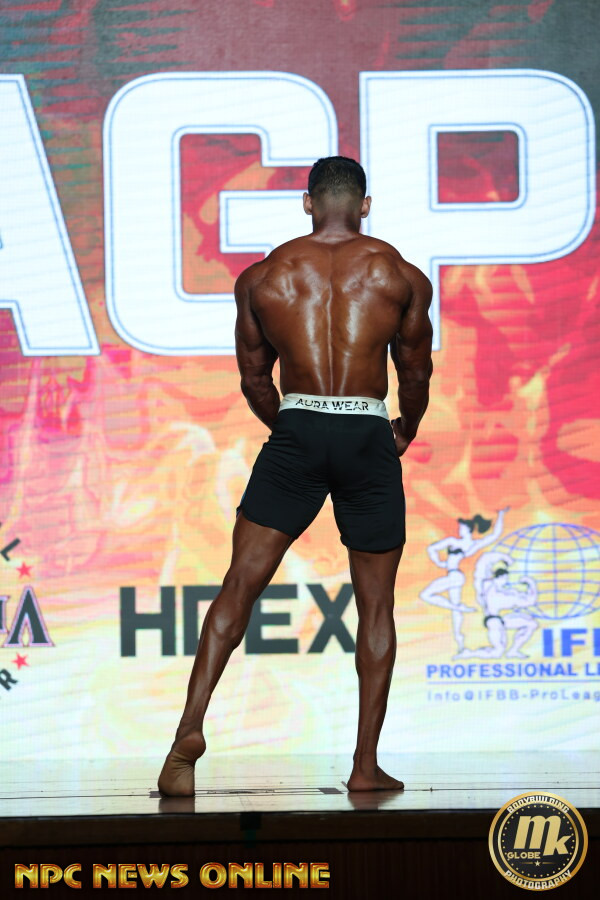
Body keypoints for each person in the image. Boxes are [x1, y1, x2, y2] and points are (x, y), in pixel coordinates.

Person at [158, 156, 433, 796]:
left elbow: (254, 378)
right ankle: (364, 765)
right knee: (376, 607)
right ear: (365, 205)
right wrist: (405, 428)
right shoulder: (400, 276)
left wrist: (292, 427)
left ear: (308, 203)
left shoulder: (264, 277)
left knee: (238, 586)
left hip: (298, 430)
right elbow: (416, 372)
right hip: (366, 433)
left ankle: (187, 737)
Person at [419, 510, 508, 654]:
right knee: (455, 613)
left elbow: (494, 535)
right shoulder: (456, 542)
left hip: (455, 576)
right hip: (455, 576)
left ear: (468, 529)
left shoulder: (467, 544)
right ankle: (460, 643)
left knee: (425, 594)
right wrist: (438, 562)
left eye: (461, 528)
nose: (459, 530)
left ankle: (459, 608)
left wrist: (501, 516)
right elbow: (431, 548)